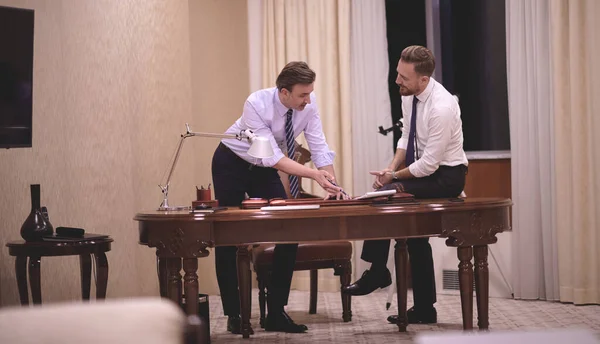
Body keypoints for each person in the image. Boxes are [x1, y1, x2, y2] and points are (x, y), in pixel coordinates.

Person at [212, 61, 347, 334]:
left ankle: (275, 312)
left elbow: (319, 148)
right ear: (283, 92)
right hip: (232, 163)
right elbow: (272, 157)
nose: (308, 100)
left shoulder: (308, 105)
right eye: (302, 95)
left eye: (310, 93)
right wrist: (314, 176)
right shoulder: (256, 104)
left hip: (263, 169)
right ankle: (233, 313)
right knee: (229, 236)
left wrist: (332, 183)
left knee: (288, 229)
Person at [342, 45, 468, 325]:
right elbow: (406, 136)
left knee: (383, 197)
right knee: (414, 235)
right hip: (426, 171)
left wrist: (393, 179)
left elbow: (429, 165)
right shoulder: (409, 95)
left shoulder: (443, 107)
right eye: (398, 73)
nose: (397, 81)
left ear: (423, 80)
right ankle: (425, 309)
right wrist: (391, 167)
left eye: (404, 77)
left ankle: (377, 272)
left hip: (447, 175)